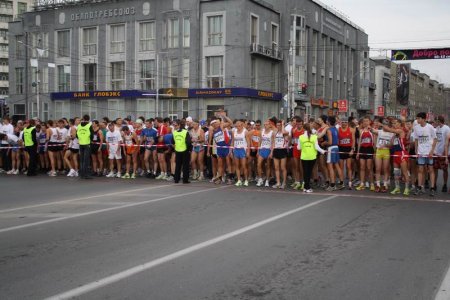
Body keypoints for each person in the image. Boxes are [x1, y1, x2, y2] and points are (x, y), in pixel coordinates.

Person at [414, 112, 437, 196]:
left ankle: (432, 188)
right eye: (417, 118)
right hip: (421, 152)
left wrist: (432, 151)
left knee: (430, 170)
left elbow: (435, 139)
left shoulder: (430, 127)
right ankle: (419, 187)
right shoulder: (416, 128)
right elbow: (416, 139)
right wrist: (416, 150)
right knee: (420, 170)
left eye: (419, 118)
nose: (417, 120)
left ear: (424, 119)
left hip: (429, 152)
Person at [298, 123, 326, 193]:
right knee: (309, 172)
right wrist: (323, 151)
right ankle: (307, 187)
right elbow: (317, 147)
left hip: (304, 157)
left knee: (305, 172)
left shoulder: (301, 137)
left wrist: (305, 147)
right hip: (312, 157)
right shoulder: (314, 137)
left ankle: (305, 187)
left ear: (304, 129)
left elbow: (299, 147)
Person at [372, 118, 395, 193]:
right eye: (384, 125)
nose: (385, 126)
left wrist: (386, 144)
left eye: (386, 125)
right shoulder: (379, 131)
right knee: (378, 168)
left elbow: (391, 145)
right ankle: (378, 184)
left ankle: (385, 184)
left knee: (386, 169)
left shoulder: (392, 133)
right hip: (379, 150)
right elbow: (371, 130)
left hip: (386, 151)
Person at [323, 116, 345, 191]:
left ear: (328, 122)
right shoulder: (335, 129)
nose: (326, 121)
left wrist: (324, 143)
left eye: (327, 120)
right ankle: (342, 183)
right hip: (336, 148)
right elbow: (337, 139)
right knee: (336, 165)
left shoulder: (329, 130)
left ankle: (332, 185)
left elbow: (330, 142)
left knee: (330, 167)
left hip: (331, 148)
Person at [356, 117, 375, 191]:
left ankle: (372, 184)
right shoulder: (361, 131)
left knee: (369, 167)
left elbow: (374, 142)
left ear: (369, 122)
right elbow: (360, 142)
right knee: (362, 167)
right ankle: (362, 184)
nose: (366, 122)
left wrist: (374, 152)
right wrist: (358, 152)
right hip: (362, 149)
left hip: (370, 150)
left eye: (367, 121)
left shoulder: (372, 130)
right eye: (364, 121)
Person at [338, 118, 356, 189]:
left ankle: (350, 182)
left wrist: (352, 150)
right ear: (341, 123)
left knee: (348, 166)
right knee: (341, 167)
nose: (344, 123)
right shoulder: (338, 129)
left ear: (347, 123)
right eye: (343, 122)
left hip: (348, 149)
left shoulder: (351, 129)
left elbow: (354, 140)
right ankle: (341, 182)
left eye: (345, 122)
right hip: (341, 148)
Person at [172, 119, 192, 184]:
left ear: (179, 125)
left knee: (179, 165)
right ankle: (184, 180)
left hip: (180, 150)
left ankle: (176, 179)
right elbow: (188, 142)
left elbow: (173, 142)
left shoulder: (183, 132)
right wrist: (189, 150)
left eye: (176, 125)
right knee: (184, 166)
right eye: (174, 126)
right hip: (183, 150)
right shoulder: (184, 132)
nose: (175, 127)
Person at [433, 116, 450, 192]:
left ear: (439, 121)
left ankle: (445, 184)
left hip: (444, 152)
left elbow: (447, 142)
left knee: (445, 169)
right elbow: (435, 140)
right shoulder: (436, 129)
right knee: (435, 169)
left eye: (436, 121)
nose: (435, 123)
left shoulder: (446, 128)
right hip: (436, 152)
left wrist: (445, 153)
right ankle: (434, 184)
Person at [271, 119, 289, 189]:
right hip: (276, 150)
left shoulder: (285, 132)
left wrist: (283, 124)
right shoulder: (274, 133)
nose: (278, 126)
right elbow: (273, 143)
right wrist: (272, 152)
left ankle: (284, 182)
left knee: (282, 167)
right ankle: (278, 182)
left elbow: (284, 133)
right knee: (276, 167)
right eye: (277, 125)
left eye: (280, 125)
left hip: (282, 150)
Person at [232, 119, 250, 186]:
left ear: (242, 125)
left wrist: (248, 151)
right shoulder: (234, 132)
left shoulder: (245, 132)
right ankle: (239, 180)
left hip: (243, 150)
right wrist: (231, 150)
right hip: (236, 149)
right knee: (237, 166)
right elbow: (233, 141)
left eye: (239, 126)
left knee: (244, 166)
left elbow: (248, 143)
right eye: (236, 126)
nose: (238, 127)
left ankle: (246, 180)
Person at [256, 119, 273, 187]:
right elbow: (259, 141)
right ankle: (260, 179)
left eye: (267, 124)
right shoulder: (261, 132)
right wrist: (258, 150)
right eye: (264, 125)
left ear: (269, 125)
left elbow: (272, 143)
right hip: (262, 150)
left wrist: (271, 152)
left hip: (268, 150)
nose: (265, 126)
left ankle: (267, 180)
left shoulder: (272, 133)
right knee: (258, 164)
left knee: (268, 166)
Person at [77, 115, 93, 179]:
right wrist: (90, 140)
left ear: (83, 119)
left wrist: (81, 139)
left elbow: (76, 135)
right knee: (86, 160)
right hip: (87, 144)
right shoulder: (89, 125)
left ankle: (81, 174)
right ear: (89, 119)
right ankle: (86, 174)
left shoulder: (79, 126)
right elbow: (92, 135)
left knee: (81, 160)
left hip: (81, 144)